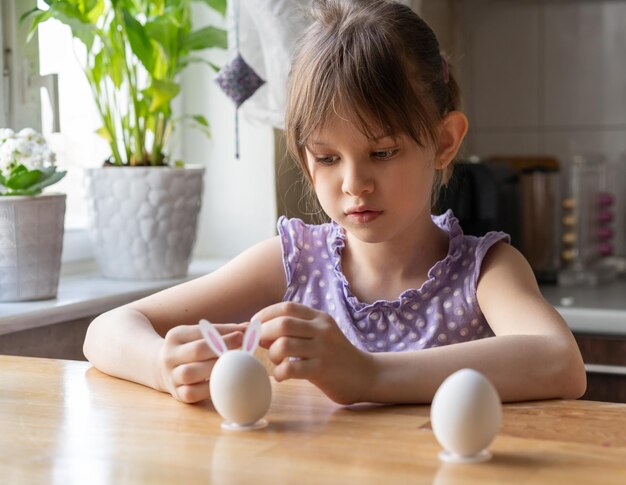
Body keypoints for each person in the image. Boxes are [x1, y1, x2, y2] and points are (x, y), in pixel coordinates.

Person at [84, 0, 586, 405]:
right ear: (305, 160)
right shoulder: (294, 262)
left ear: (444, 142)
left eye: (382, 151)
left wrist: (367, 375)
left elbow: (561, 363)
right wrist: (160, 365)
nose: (354, 183)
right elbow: (106, 330)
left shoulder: (486, 270)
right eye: (326, 158)